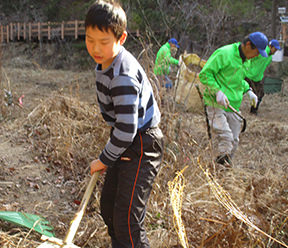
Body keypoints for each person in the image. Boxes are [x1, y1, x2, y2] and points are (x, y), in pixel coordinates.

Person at [85, 1, 164, 247]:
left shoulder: (123, 76)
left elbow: (127, 129)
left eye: (103, 42)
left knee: (126, 219)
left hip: (142, 144)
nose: (95, 48)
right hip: (126, 140)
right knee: (108, 208)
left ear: (121, 38)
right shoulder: (107, 61)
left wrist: (103, 159)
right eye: (90, 39)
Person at [198, 32, 268, 166]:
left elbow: (238, 80)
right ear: (248, 45)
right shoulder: (224, 54)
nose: (257, 55)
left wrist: (248, 90)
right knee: (226, 137)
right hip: (215, 103)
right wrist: (217, 91)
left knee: (234, 141)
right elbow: (205, 74)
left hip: (233, 105)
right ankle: (218, 170)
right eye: (257, 52)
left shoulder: (246, 61)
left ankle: (224, 171)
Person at [245, 39, 282, 115]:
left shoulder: (270, 58)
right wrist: (247, 69)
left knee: (260, 94)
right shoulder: (261, 51)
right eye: (275, 48)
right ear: (270, 46)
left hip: (257, 79)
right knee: (238, 91)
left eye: (277, 50)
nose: (275, 51)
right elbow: (249, 58)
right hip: (248, 76)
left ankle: (253, 111)